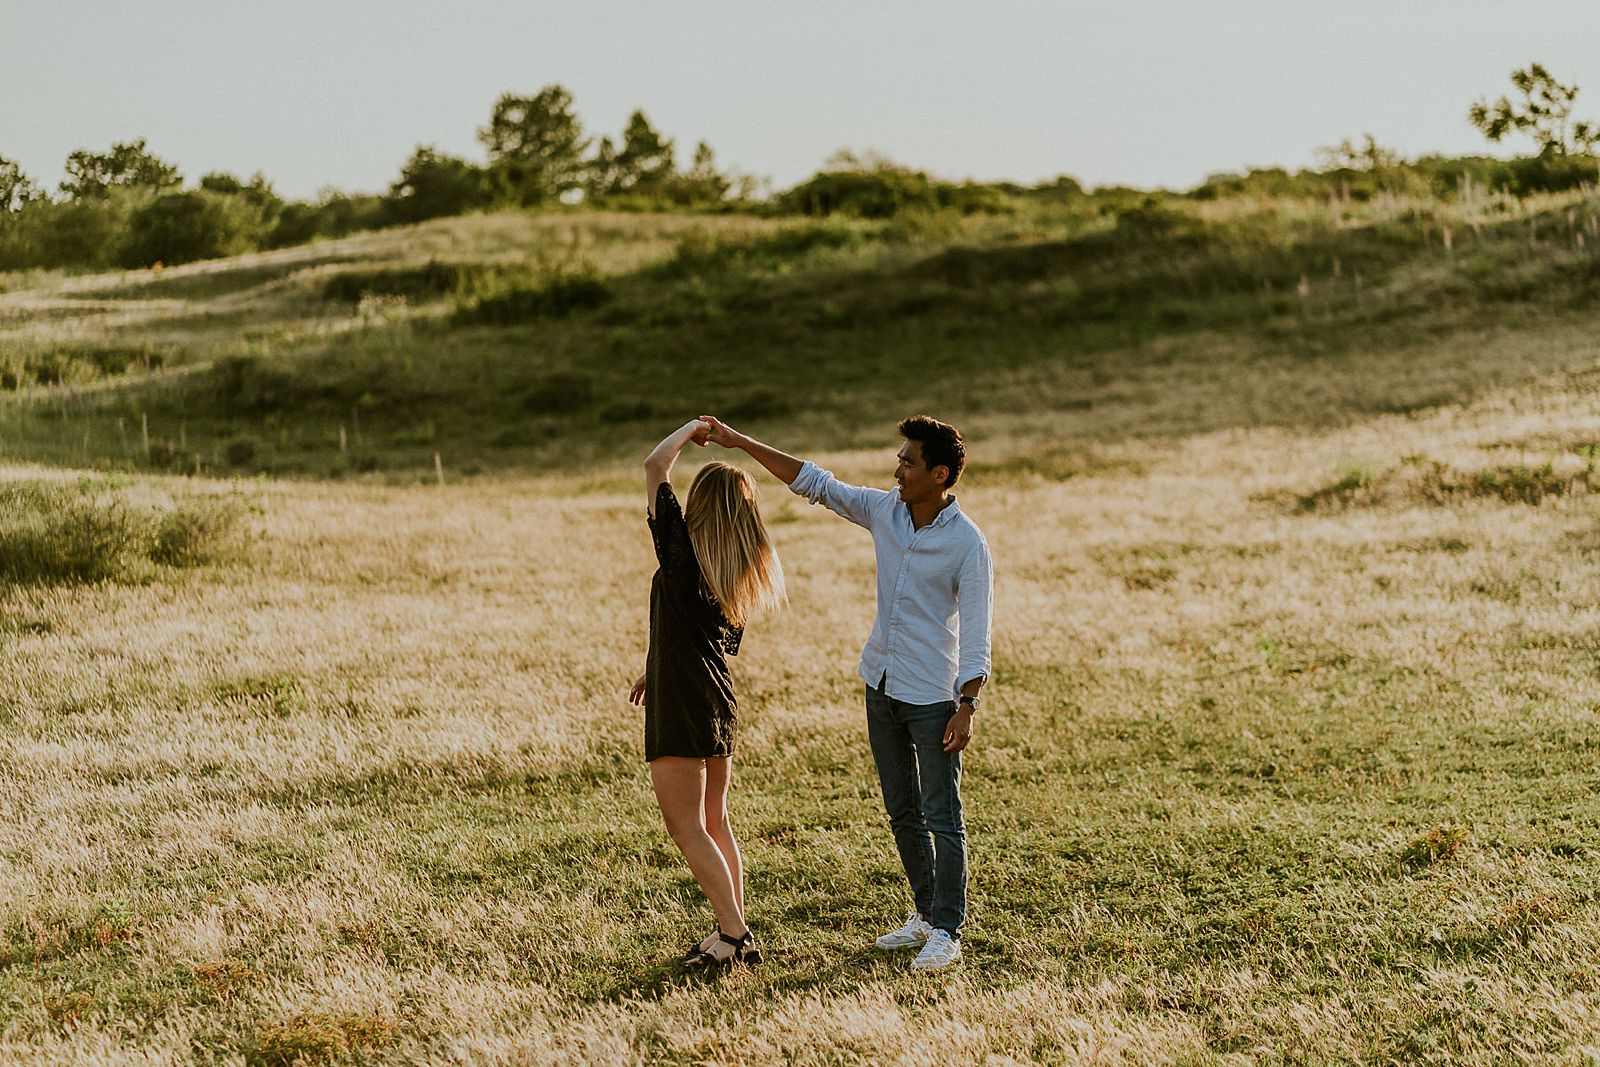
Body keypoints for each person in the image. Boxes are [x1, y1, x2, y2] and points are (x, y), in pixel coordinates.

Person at [700, 413, 992, 973]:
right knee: (902, 813)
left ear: (939, 474)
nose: (897, 468)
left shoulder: (967, 545)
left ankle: (948, 930)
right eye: (899, 459)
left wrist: (968, 704)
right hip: (880, 685)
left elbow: (978, 633)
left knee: (941, 814)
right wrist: (739, 439)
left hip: (933, 697)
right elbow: (816, 482)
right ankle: (926, 915)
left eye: (908, 462)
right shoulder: (887, 511)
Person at [628, 418, 786, 969]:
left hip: (686, 700)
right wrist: (656, 665)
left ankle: (734, 935)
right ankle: (732, 929)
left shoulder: (679, 549)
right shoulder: (733, 568)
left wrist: (694, 428)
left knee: (687, 826)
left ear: (697, 506)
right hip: (715, 697)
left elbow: (654, 465)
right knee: (715, 820)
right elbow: (699, 634)